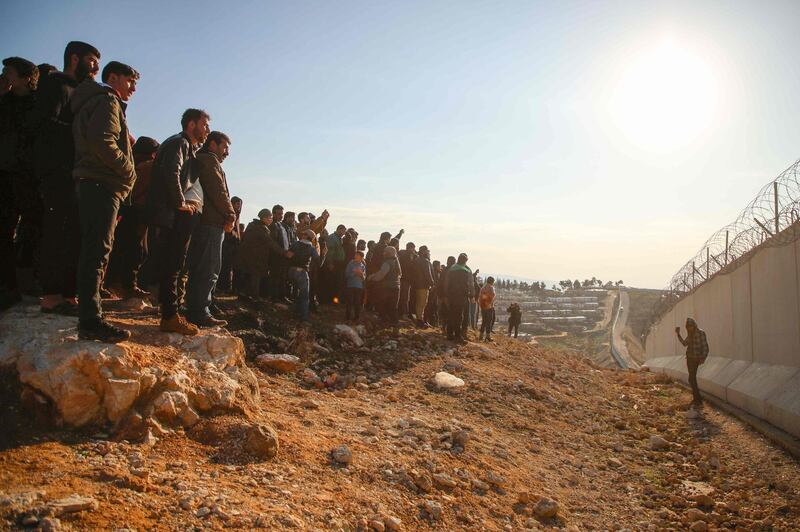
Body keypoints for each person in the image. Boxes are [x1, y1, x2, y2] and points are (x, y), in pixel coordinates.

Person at [29, 41, 100, 315]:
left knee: (74, 234)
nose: (95, 68)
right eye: (92, 61)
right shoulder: (55, 86)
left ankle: (69, 296)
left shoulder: (80, 92)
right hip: (56, 171)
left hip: (75, 172)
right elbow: (44, 126)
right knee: (57, 231)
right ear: (74, 59)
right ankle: (50, 296)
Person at [72, 60, 139, 342]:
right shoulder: (107, 101)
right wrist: (129, 169)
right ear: (112, 77)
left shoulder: (100, 101)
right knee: (98, 250)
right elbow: (102, 141)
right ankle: (91, 320)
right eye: (130, 81)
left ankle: (91, 314)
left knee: (95, 249)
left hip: (97, 183)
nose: (134, 88)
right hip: (102, 182)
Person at [147, 108, 210, 335]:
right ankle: (170, 316)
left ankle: (169, 313)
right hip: (171, 214)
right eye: (204, 125)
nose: (207, 131)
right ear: (191, 125)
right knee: (173, 264)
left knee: (172, 263)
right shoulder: (180, 143)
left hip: (170, 213)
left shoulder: (184, 146)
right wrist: (181, 202)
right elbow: (172, 172)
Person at [0, 57, 39, 308]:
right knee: (4, 230)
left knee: (33, 228)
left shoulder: (39, 106)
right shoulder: (4, 104)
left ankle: (30, 280)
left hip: (30, 176)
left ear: (26, 77)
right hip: (5, 175)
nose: (5, 76)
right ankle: (8, 286)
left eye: (9, 72)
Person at [184, 131, 235, 328]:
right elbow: (217, 190)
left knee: (202, 267)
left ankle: (197, 308)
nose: (227, 153)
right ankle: (200, 311)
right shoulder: (209, 160)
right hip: (211, 222)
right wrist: (230, 214)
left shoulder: (204, 159)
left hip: (206, 221)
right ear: (213, 145)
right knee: (209, 267)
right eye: (224, 148)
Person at [106, 136, 158, 298]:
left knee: (121, 248)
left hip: (125, 209)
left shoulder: (130, 163)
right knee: (135, 250)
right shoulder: (148, 167)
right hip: (136, 211)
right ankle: (126, 285)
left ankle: (114, 283)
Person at [237, 208, 289, 300]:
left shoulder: (252, 225)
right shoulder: (261, 228)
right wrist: (284, 252)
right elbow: (271, 243)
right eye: (270, 218)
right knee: (255, 277)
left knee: (250, 277)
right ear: (264, 218)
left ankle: (244, 295)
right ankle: (255, 299)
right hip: (255, 258)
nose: (271, 220)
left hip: (249, 256)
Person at [675, 317, 709, 405]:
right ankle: (697, 398)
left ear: (694, 325)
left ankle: (698, 399)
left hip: (696, 358)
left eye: (691, 326)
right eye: (688, 326)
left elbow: (705, 346)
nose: (690, 328)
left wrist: (703, 357)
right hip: (690, 358)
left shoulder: (701, 333)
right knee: (691, 378)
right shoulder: (690, 334)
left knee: (692, 378)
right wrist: (678, 334)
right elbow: (684, 343)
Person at [287, 229, 318, 322]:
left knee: (295, 293)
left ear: (305, 236)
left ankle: (294, 314)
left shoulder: (295, 244)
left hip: (291, 271)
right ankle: (303, 317)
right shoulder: (311, 248)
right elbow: (318, 261)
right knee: (304, 296)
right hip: (302, 272)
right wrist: (323, 255)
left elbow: (288, 256)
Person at [368, 246, 402, 330]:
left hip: (387, 287)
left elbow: (381, 275)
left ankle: (383, 322)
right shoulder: (396, 262)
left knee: (383, 304)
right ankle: (394, 324)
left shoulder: (387, 262)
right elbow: (400, 274)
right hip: (397, 287)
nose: (383, 253)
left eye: (385, 252)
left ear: (388, 253)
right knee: (393, 306)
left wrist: (372, 277)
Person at [445, 253, 473, 343]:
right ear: (465, 261)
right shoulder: (467, 270)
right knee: (459, 316)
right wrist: (472, 295)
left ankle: (449, 334)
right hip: (461, 296)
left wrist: (446, 294)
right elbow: (471, 285)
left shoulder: (451, 269)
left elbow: (446, 282)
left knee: (450, 314)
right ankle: (458, 335)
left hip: (451, 295)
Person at [217, 196, 242, 293]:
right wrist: (234, 235)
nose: (238, 206)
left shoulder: (237, 215)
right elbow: (228, 229)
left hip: (234, 244)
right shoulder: (229, 213)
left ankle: (226, 286)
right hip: (227, 243)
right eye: (237, 204)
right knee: (224, 266)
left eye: (239, 204)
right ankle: (222, 287)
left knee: (229, 267)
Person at [269, 204, 290, 302]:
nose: (281, 216)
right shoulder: (272, 225)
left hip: (284, 255)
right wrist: (283, 252)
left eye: (282, 214)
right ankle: (275, 297)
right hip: (276, 256)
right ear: (273, 214)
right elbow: (273, 242)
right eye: (278, 214)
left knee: (283, 277)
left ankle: (282, 296)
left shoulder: (282, 225)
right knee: (276, 277)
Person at [412, 245, 434, 327]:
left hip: (416, 284)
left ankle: (419, 319)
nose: (428, 252)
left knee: (418, 302)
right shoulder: (425, 261)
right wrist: (432, 283)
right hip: (423, 285)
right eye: (427, 251)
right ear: (424, 251)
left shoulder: (416, 260)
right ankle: (420, 321)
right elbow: (428, 274)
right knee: (422, 303)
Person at [344, 250, 366, 322]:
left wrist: (361, 275)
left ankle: (357, 318)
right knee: (349, 302)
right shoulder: (351, 263)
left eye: (357, 255)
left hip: (359, 286)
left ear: (361, 257)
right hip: (350, 285)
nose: (355, 256)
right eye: (355, 255)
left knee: (357, 302)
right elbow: (346, 274)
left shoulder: (363, 266)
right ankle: (348, 317)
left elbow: (364, 278)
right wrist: (354, 273)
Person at [397, 242, 417, 319]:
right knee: (405, 297)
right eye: (413, 248)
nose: (414, 250)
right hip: (406, 279)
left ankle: (400, 313)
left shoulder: (401, 254)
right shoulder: (408, 256)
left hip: (401, 278)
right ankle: (404, 313)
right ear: (410, 248)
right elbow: (410, 267)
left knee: (401, 297)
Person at [437, 256, 456, 335]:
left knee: (444, 311)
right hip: (449, 295)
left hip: (443, 294)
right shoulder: (452, 271)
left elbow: (440, 282)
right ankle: (447, 329)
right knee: (449, 312)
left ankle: (443, 328)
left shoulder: (444, 270)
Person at [478, 276, 496, 341]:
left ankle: (481, 336)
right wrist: (490, 304)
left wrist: (482, 305)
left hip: (483, 307)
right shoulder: (491, 288)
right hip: (489, 307)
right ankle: (488, 336)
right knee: (489, 322)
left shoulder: (483, 288)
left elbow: (480, 297)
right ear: (492, 282)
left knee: (484, 321)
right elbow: (492, 296)